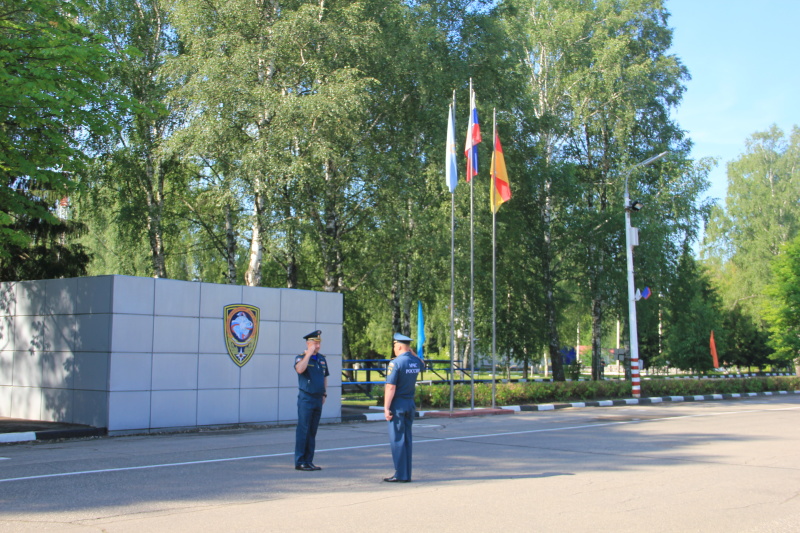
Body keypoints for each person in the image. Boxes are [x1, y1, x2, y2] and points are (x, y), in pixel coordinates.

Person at [383, 332, 425, 482]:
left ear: (399, 346)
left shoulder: (396, 363)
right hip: (409, 403)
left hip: (398, 404)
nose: (394, 348)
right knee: (407, 439)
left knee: (397, 439)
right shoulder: (414, 361)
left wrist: (386, 408)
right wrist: (412, 353)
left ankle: (400, 474)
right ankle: (406, 473)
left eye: (395, 345)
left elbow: (390, 387)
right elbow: (423, 364)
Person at [294, 329, 329, 471]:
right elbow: (300, 370)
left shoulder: (321, 359)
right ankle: (300, 461)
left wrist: (324, 394)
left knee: (313, 431)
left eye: (319, 343)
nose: (318, 346)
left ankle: (309, 460)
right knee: (304, 429)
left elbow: (324, 377)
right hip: (306, 399)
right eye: (315, 343)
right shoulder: (301, 358)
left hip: (317, 398)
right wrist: (308, 353)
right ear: (309, 344)